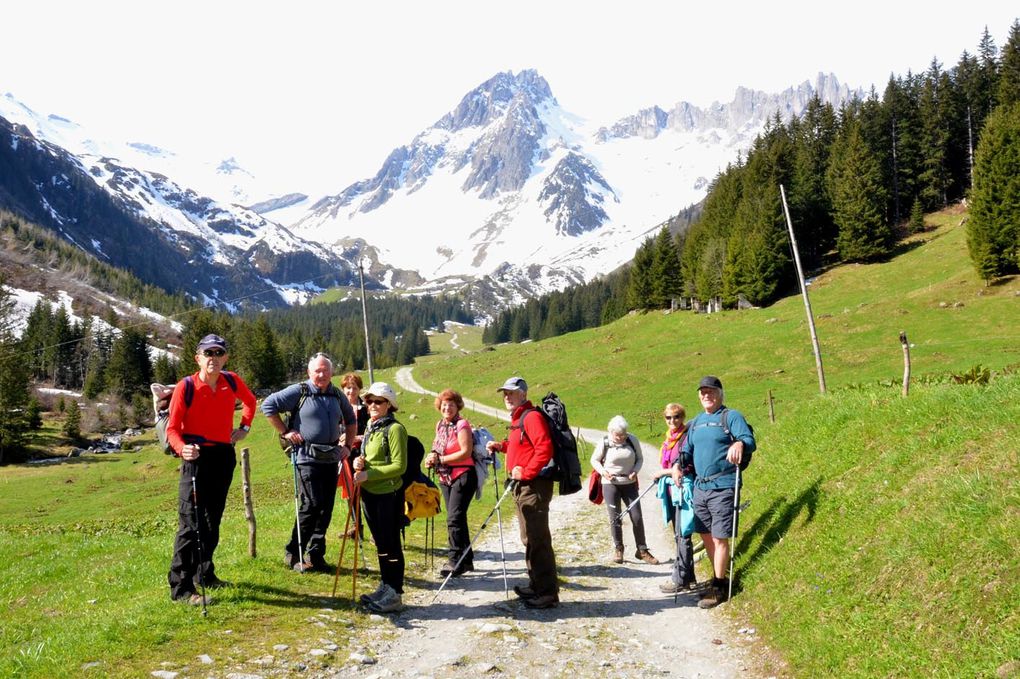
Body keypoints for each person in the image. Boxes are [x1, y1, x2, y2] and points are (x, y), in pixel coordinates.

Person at [165, 334, 257, 606]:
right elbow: (172, 428)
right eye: (208, 353)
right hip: (196, 457)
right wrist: (183, 449)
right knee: (190, 523)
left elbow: (251, 402)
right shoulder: (187, 386)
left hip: (222, 456)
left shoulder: (231, 380)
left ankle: (204, 573)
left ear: (225, 357)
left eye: (218, 353)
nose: (213, 358)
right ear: (198, 358)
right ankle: (180, 588)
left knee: (212, 520)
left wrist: (244, 429)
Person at [262, 353, 356, 572]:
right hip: (306, 458)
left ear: (332, 373)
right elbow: (268, 406)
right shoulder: (300, 391)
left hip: (331, 458)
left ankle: (316, 554)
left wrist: (348, 447)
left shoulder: (336, 394)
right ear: (309, 372)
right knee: (311, 505)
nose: (321, 374)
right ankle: (293, 553)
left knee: (326, 508)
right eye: (317, 371)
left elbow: (350, 420)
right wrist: (286, 432)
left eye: (325, 370)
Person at [672, 376, 756, 608]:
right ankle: (719, 577)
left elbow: (749, 440)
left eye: (710, 391)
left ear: (720, 393)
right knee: (706, 535)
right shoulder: (697, 422)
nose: (706, 395)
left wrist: (739, 444)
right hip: (700, 487)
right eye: (702, 392)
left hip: (724, 485)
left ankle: (719, 587)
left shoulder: (731, 417)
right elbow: (685, 451)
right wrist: (677, 467)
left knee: (720, 536)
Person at [486, 376, 559, 609]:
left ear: (524, 394)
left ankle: (547, 592)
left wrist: (526, 472)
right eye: (504, 393)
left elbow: (544, 447)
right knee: (528, 537)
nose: (506, 396)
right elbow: (523, 445)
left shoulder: (532, 417)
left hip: (533, 485)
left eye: (511, 392)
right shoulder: (519, 419)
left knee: (537, 539)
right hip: (524, 486)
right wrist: (502, 446)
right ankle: (536, 585)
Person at [352, 382, 408, 613]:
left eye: (378, 401)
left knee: (391, 543)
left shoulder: (395, 430)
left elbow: (399, 466)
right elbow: (370, 456)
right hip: (370, 493)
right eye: (369, 401)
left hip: (388, 495)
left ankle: (395, 592)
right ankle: (385, 586)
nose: (373, 405)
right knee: (381, 544)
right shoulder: (372, 426)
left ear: (389, 405)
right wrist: (359, 462)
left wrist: (368, 474)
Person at [590, 415, 660, 565]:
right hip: (610, 484)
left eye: (623, 434)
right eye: (618, 435)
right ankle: (618, 549)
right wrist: (603, 472)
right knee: (615, 518)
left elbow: (640, 458)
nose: (621, 437)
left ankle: (642, 550)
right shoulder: (605, 442)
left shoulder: (632, 440)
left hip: (629, 483)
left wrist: (635, 470)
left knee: (637, 517)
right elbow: (594, 460)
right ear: (611, 432)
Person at [425, 389, 476, 577]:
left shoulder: (462, 424)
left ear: (458, 406)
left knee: (453, 518)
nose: (447, 408)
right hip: (445, 477)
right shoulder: (440, 425)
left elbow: (466, 452)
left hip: (463, 475)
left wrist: (442, 460)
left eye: (451, 405)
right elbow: (437, 445)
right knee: (458, 517)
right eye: (444, 404)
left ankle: (455, 561)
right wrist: (432, 457)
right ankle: (467, 559)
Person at [653, 403, 697, 593]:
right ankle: (690, 577)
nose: (673, 421)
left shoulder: (686, 437)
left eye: (677, 416)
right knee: (678, 533)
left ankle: (680, 579)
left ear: (683, 417)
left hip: (683, 488)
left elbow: (687, 464)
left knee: (683, 534)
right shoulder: (668, 438)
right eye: (668, 418)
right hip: (671, 490)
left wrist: (663, 472)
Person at [340, 372, 369, 539]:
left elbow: (371, 432)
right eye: (348, 388)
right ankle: (356, 527)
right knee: (350, 492)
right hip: (345, 454)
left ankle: (373, 526)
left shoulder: (365, 409)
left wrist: (355, 437)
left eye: (354, 388)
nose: (351, 391)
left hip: (362, 454)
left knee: (364, 491)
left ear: (359, 390)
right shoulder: (338, 407)